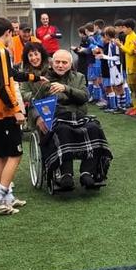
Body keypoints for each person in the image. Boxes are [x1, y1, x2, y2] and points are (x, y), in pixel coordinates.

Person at [27, 50, 112, 190]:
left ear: (70, 64)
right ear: (52, 63)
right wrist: (38, 117)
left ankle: (88, 172)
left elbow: (84, 96)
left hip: (79, 117)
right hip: (56, 117)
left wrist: (65, 89)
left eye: (64, 62)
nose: (60, 65)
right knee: (62, 130)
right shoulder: (43, 80)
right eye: (57, 62)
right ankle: (66, 174)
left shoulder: (79, 77)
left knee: (94, 128)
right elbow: (34, 102)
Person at [0, 18, 30, 215]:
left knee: (2, 155)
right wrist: (16, 109)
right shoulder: (1, 51)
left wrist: (34, 77)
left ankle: (7, 196)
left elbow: (10, 74)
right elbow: (3, 86)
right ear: (8, 33)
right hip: (2, 111)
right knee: (15, 154)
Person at [122, 18, 136, 115]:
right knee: (131, 87)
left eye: (124, 28)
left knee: (135, 87)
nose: (123, 30)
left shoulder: (134, 37)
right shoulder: (127, 37)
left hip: (134, 66)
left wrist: (120, 46)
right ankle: (135, 106)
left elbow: (130, 51)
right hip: (128, 65)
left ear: (129, 28)